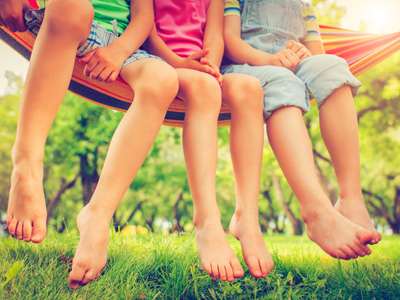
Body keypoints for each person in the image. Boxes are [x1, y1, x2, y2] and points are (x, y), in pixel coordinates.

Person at [4, 0, 179, 289]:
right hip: (63, 18)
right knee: (73, 8)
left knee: (163, 79)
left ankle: (98, 216)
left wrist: (120, 50)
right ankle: (26, 164)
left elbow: (144, 16)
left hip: (120, 42)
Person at [222, 0, 382, 260]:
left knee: (333, 68)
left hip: (291, 67)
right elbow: (229, 42)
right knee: (282, 82)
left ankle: (351, 197)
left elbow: (317, 55)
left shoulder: (304, 6)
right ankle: (315, 211)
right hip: (246, 66)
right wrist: (270, 59)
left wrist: (302, 53)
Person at [145, 0, 273, 281]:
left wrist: (210, 65)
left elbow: (214, 35)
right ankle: (207, 219)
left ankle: (247, 218)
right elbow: (146, 29)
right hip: (161, 64)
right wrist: (182, 63)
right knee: (206, 89)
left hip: (205, 69)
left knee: (250, 89)